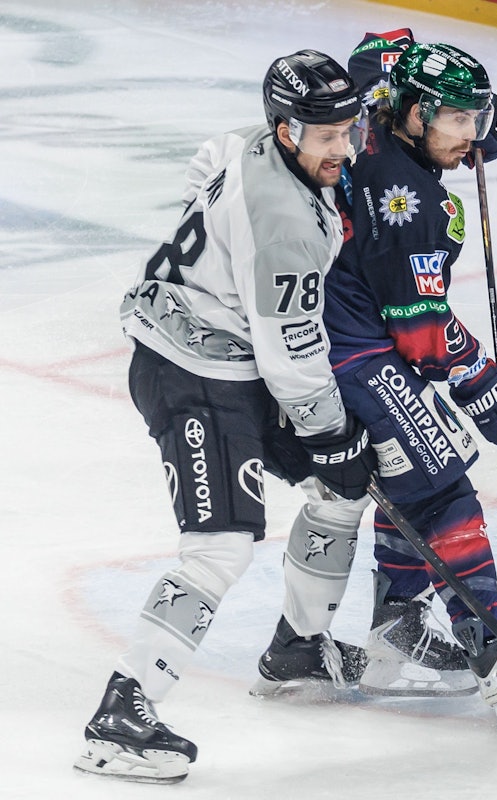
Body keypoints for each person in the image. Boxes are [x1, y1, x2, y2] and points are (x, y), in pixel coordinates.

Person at [74, 50, 377, 784]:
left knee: (340, 492)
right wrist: (331, 433)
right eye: (323, 134)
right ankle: (121, 715)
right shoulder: (285, 225)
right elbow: (290, 355)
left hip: (223, 355)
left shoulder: (244, 140)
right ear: (284, 131)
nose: (341, 147)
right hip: (193, 376)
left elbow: (205, 161)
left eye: (348, 129)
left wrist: (217, 264)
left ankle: (299, 647)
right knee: (220, 549)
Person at [261, 34, 497, 729]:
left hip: (318, 332)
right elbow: (421, 335)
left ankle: (394, 630)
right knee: (444, 491)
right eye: (454, 120)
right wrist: (485, 384)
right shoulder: (412, 204)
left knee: (415, 472)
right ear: (413, 115)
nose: (468, 134)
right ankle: (495, 662)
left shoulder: (367, 110)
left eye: (475, 119)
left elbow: (376, 51)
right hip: (351, 355)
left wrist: (460, 112)